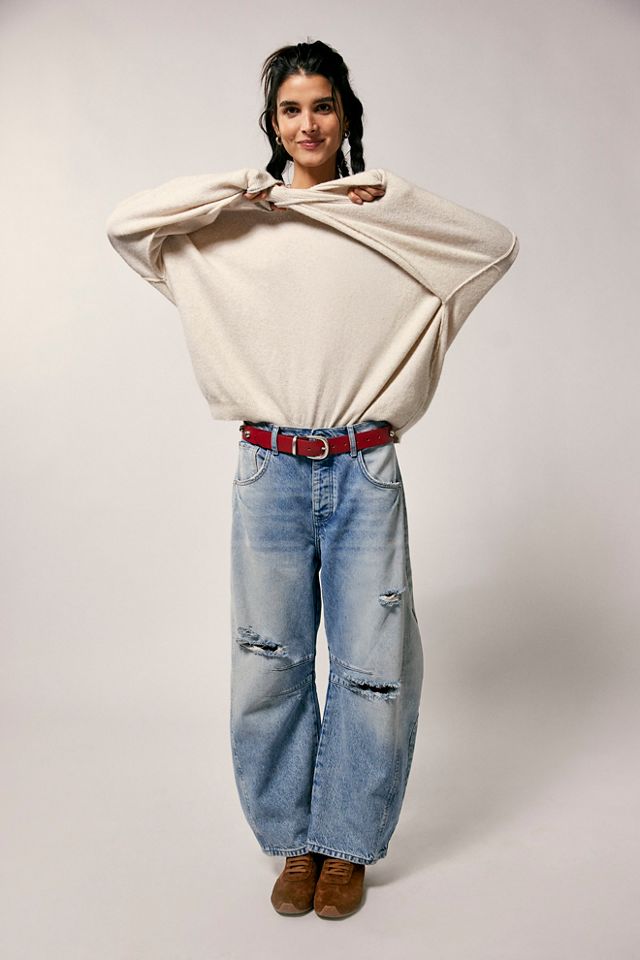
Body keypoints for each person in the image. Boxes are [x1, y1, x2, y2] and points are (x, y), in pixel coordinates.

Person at [106, 39, 519, 921]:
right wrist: (235, 188)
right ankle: (294, 839)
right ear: (272, 122)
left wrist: (393, 199)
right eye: (290, 109)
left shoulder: (383, 225)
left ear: (345, 116)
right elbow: (127, 225)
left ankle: (348, 844)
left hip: (365, 466)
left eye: (322, 105)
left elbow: (496, 245)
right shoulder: (233, 231)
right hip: (270, 469)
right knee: (270, 662)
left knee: (374, 668)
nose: (307, 123)